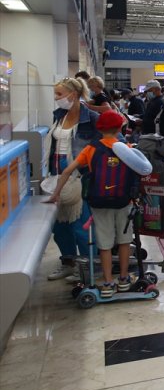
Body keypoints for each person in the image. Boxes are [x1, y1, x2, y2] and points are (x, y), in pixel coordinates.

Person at [45, 111, 152, 297]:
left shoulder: (90, 149)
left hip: (99, 202)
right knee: (124, 240)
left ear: (98, 128)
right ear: (120, 128)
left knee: (104, 244)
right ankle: (125, 279)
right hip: (123, 201)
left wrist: (56, 194)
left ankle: (108, 282)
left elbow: (68, 171)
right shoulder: (125, 148)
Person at [43, 77, 100, 281]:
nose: (57, 98)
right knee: (60, 225)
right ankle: (68, 261)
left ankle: (86, 266)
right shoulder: (59, 115)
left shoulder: (91, 118)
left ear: (73, 95)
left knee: (81, 225)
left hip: (80, 177)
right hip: (56, 174)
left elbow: (110, 141)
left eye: (59, 94)